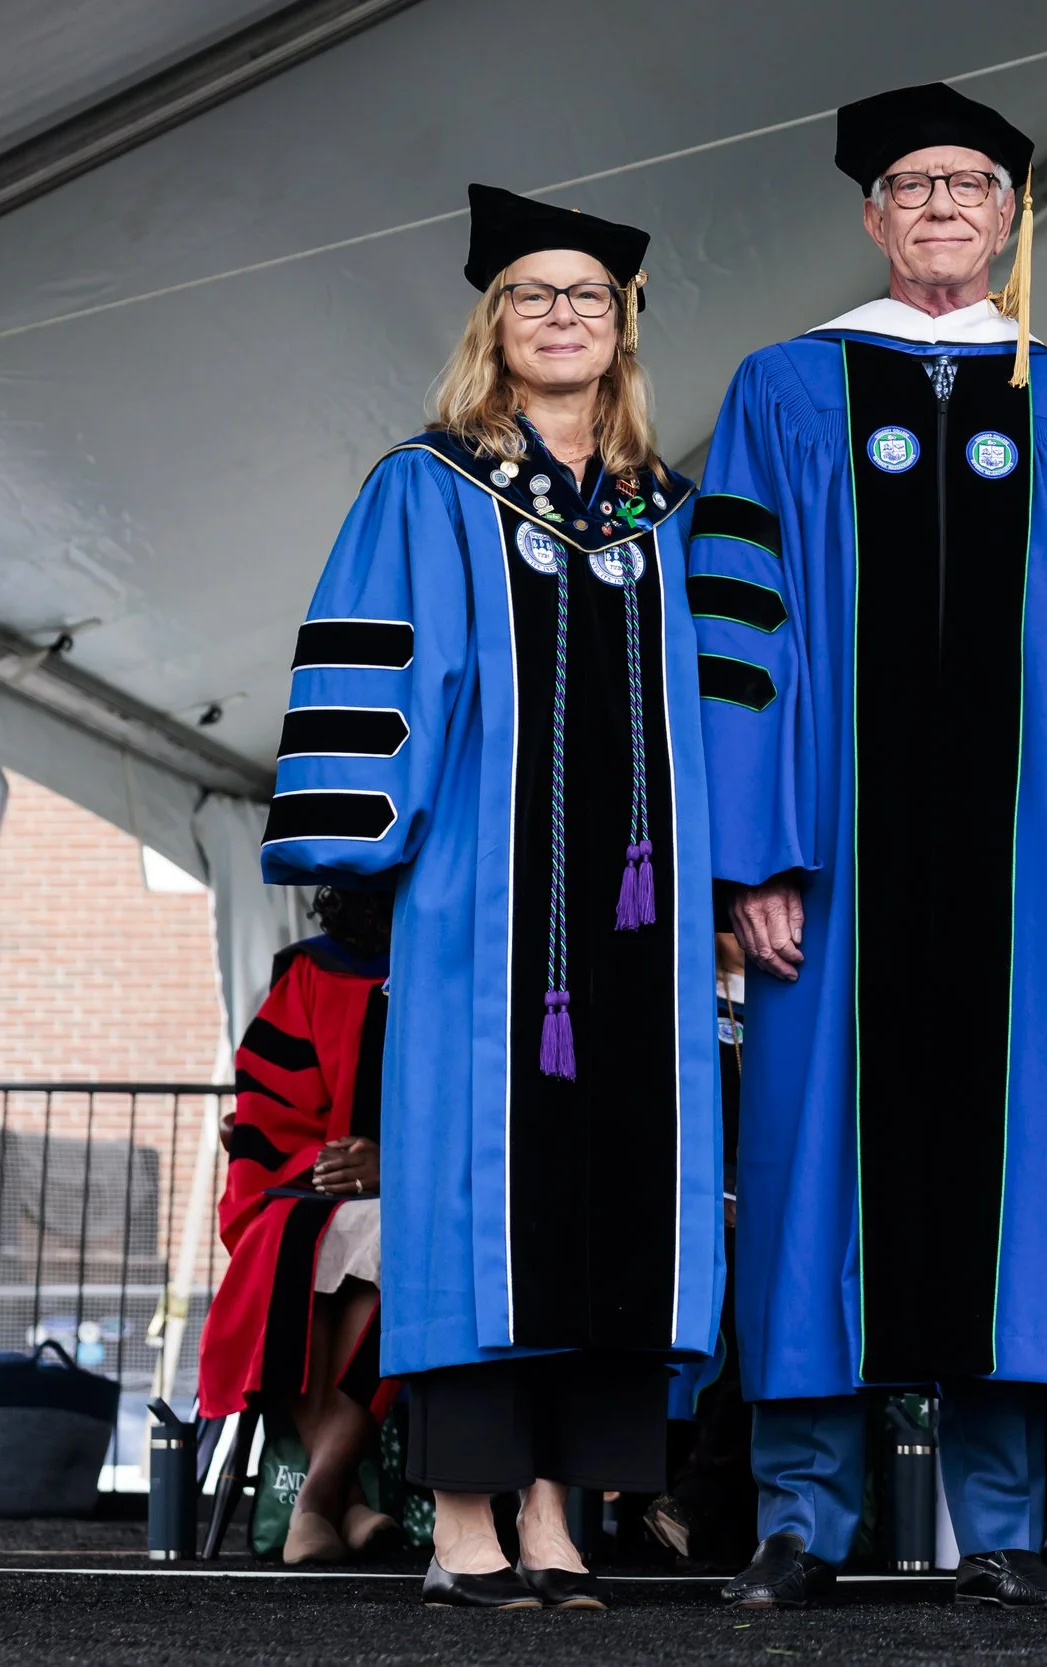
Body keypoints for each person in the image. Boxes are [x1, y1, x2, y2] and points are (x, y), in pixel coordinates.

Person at [690, 82, 1047, 1612]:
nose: (946, 205)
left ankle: (1003, 1524)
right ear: (872, 215)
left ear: (1013, 216)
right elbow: (738, 628)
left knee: (1012, 1189)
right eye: (915, 184)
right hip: (835, 865)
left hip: (1024, 870)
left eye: (973, 184)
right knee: (814, 1172)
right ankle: (799, 1517)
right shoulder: (783, 387)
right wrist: (755, 854)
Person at [261, 188, 723, 1611]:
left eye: (590, 295)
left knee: (619, 1202)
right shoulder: (428, 485)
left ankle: (556, 1510)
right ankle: (462, 1511)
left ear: (624, 327)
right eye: (535, 293)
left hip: (640, 922)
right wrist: (382, 863)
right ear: (494, 321)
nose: (563, 315)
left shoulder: (667, 514)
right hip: (483, 904)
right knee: (474, 1199)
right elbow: (371, 673)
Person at [198, 887, 398, 1565]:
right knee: (287, 1243)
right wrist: (328, 1164)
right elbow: (270, 1107)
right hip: (311, 1184)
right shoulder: (314, 971)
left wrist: (397, 1164)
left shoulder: (474, 971)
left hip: (422, 1199)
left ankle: (314, 1501)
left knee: (395, 1247)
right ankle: (345, 1500)